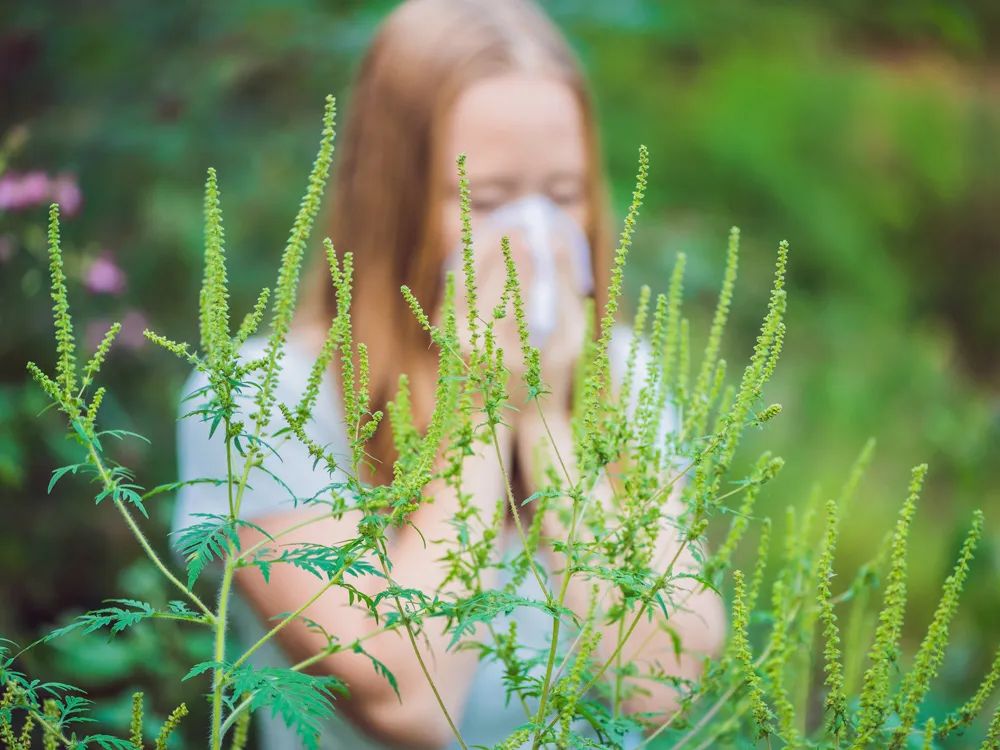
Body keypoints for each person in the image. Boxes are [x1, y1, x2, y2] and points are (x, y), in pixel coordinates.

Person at [175, 1, 724, 747]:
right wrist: (485, 408)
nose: (531, 237)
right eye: (488, 202)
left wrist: (549, 420)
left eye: (561, 196)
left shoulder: (626, 373)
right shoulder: (260, 401)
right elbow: (408, 700)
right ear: (392, 203)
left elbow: (661, 688)